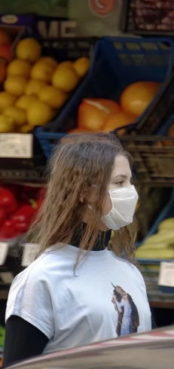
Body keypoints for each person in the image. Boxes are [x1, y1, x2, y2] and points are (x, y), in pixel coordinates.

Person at [4, 134, 152, 366]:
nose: (130, 192)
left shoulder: (129, 272)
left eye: (130, 182)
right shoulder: (42, 279)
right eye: (119, 182)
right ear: (84, 191)